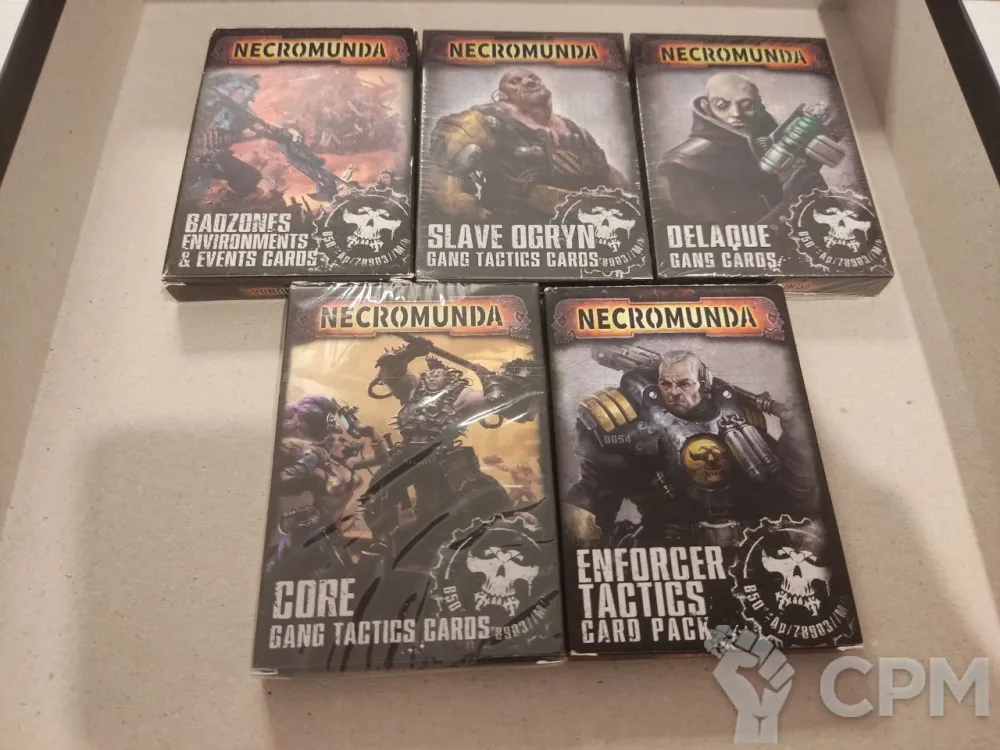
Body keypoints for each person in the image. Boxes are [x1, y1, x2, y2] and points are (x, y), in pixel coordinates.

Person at [567, 347, 819, 548]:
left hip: (747, 551)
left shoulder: (741, 420)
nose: (674, 392)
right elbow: (589, 502)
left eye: (685, 384)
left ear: (704, 385)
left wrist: (797, 439)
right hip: (669, 554)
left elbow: (790, 500)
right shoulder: (631, 427)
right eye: (666, 384)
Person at [425, 69, 627, 221]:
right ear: (502, 95)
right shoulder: (484, 121)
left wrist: (625, 201)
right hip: (513, 228)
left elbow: (608, 176)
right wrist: (464, 209)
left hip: (578, 228)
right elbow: (444, 163)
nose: (529, 82)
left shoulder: (575, 131)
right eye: (515, 82)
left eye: (533, 78)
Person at [657, 72, 827, 224]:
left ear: (760, 106)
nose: (737, 114)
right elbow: (710, 238)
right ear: (706, 107)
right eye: (722, 105)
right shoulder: (687, 163)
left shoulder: (772, 141)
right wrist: (789, 199)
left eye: (747, 105)